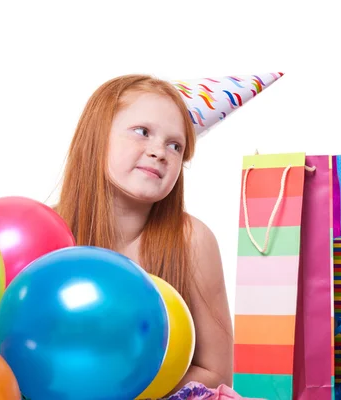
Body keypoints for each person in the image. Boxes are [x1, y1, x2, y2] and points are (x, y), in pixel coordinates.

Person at [55, 74, 234, 394]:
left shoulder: (192, 240)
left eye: (175, 145)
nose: (159, 151)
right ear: (97, 135)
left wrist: (124, 386)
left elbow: (217, 372)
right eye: (143, 132)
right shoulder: (48, 232)